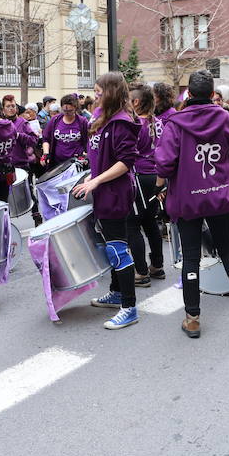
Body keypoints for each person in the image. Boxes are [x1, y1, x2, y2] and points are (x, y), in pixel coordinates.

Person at [154, 70, 229, 338]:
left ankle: (193, 319)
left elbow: (164, 163)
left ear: (188, 93)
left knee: (190, 257)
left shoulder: (175, 123)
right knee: (226, 248)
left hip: (187, 199)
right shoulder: (223, 117)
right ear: (212, 94)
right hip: (218, 196)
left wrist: (160, 185)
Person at [73, 72, 142, 330]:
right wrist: (91, 176)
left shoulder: (121, 122)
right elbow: (101, 156)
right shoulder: (102, 118)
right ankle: (116, 292)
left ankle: (129, 307)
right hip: (103, 190)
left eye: (99, 91)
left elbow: (126, 161)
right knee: (112, 245)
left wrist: (97, 180)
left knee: (117, 249)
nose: (95, 95)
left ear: (111, 92)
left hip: (115, 193)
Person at [126, 84, 164, 284]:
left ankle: (141, 271)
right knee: (150, 221)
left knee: (132, 224)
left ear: (136, 102)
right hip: (156, 175)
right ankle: (157, 265)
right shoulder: (157, 122)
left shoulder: (135, 124)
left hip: (139, 176)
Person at [41, 94, 88, 169]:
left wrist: (85, 155)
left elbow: (88, 141)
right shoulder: (55, 120)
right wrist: (46, 154)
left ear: (75, 108)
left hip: (76, 163)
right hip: (57, 163)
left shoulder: (82, 122)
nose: (67, 113)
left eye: (70, 111)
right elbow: (46, 138)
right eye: (64, 110)